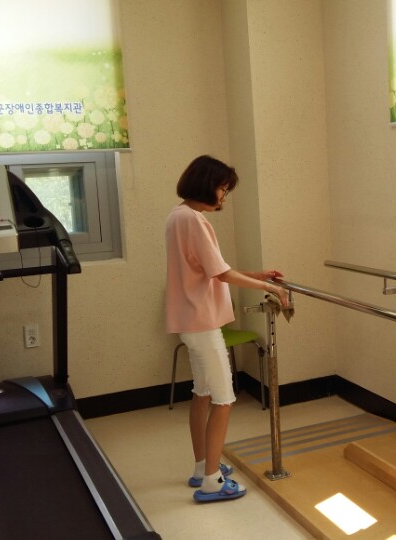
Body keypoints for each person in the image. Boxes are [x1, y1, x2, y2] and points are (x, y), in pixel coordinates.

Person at [164, 154, 290, 503]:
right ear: (207, 185)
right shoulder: (194, 221)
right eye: (222, 188)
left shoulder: (178, 215)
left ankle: (202, 466)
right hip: (203, 323)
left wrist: (257, 275)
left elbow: (211, 268)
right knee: (224, 399)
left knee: (202, 393)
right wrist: (269, 287)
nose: (223, 196)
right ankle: (212, 482)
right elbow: (219, 274)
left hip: (190, 321)